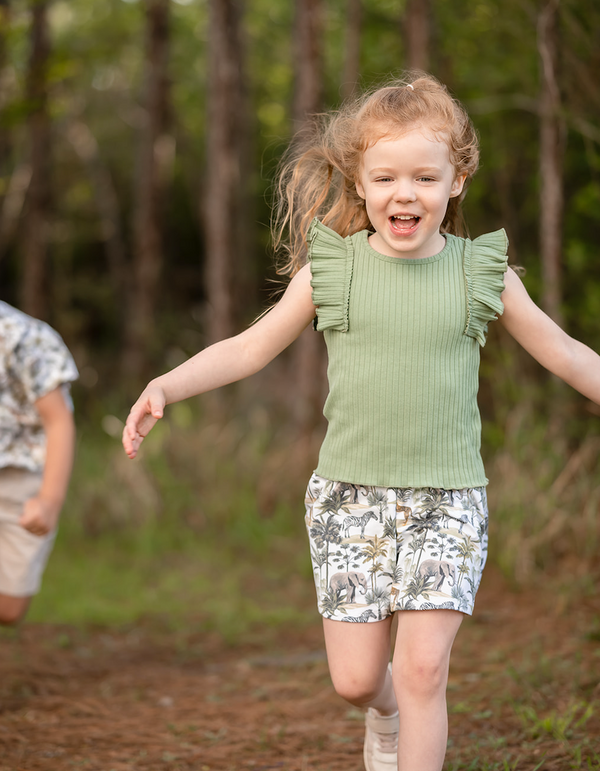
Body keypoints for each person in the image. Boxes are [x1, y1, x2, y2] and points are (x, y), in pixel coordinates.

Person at [122, 74, 600, 771]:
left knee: (423, 671)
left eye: (425, 176)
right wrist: (167, 383)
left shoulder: (482, 274)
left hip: (448, 501)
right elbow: (250, 347)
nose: (404, 193)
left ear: (457, 179)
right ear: (360, 181)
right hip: (349, 500)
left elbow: (564, 351)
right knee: (357, 680)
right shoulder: (333, 270)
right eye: (386, 177)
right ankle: (384, 714)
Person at [0, 301, 78, 626]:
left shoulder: (21, 337)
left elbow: (58, 422)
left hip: (20, 472)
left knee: (9, 608)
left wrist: (49, 501)